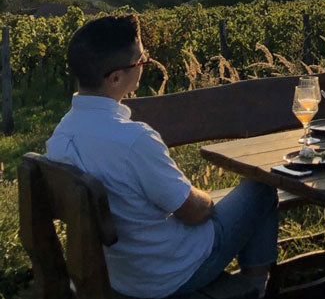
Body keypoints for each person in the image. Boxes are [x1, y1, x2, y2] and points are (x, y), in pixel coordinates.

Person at [46, 15, 279, 299]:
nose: (145, 66)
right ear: (116, 77)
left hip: (121, 274)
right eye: (141, 61)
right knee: (262, 186)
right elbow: (195, 212)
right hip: (168, 274)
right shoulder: (134, 140)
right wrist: (205, 198)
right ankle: (254, 286)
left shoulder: (60, 136)